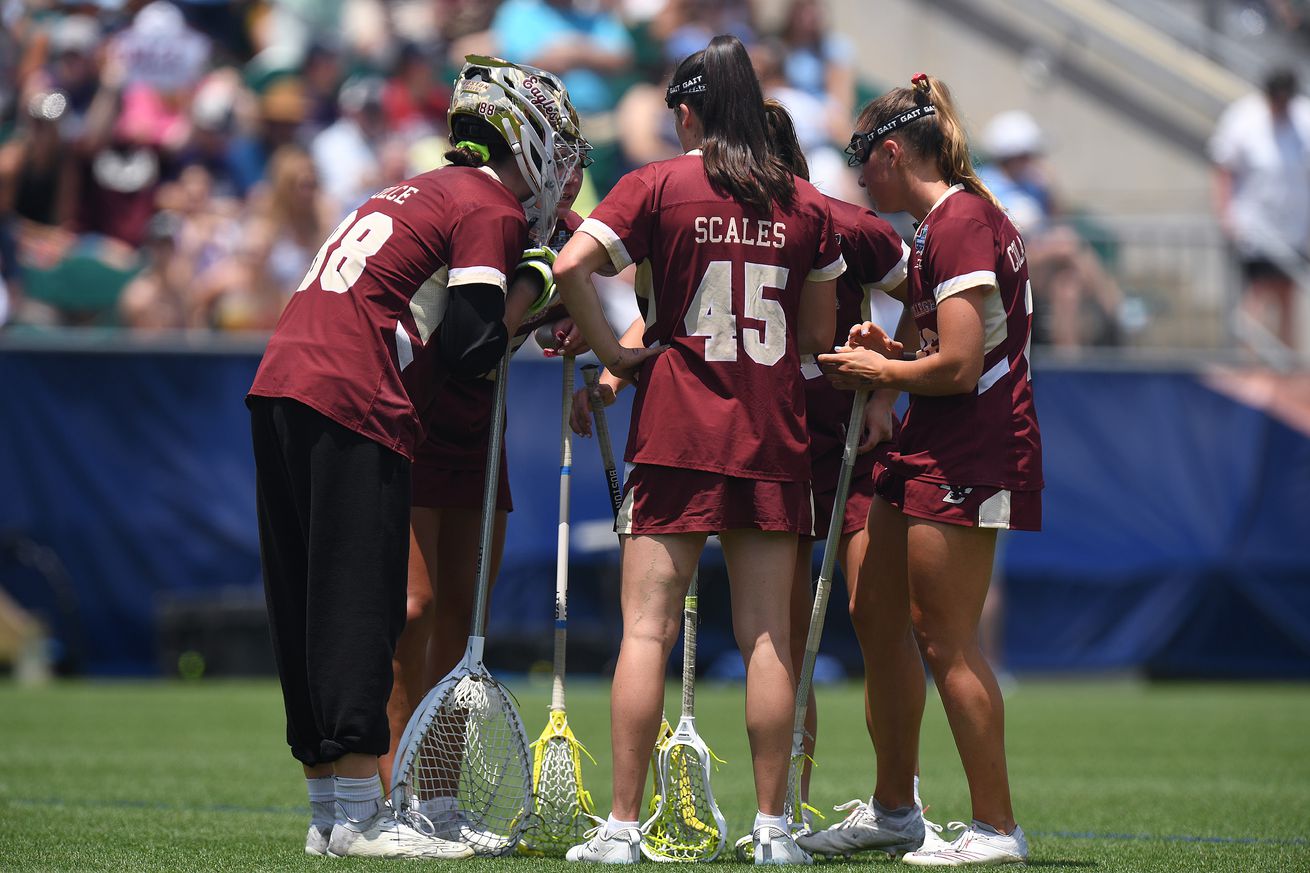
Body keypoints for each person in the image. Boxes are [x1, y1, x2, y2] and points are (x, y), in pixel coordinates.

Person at [247, 56, 583, 860]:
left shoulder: (407, 190)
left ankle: (333, 808)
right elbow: (470, 345)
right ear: (524, 138)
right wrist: (539, 286)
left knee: (310, 604)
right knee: (361, 605)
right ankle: (363, 814)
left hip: (282, 378)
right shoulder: (485, 202)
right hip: (354, 390)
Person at [554, 34, 843, 865]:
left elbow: (574, 264)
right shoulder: (804, 202)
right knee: (767, 641)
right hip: (770, 437)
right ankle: (774, 829)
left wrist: (614, 359)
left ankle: (618, 828)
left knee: (644, 633)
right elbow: (816, 339)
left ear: (686, 114)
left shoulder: (657, 185)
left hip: (676, 432)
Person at [798, 73, 1042, 867]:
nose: (858, 177)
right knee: (876, 613)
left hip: (968, 446)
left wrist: (872, 371)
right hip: (929, 443)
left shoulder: (963, 220)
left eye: (860, 160)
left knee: (946, 640)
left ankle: (996, 828)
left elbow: (965, 365)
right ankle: (896, 808)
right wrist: (893, 352)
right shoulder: (942, 223)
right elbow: (939, 349)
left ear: (893, 154)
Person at [379, 149, 594, 849]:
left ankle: (438, 802)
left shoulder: (560, 227)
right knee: (412, 611)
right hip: (416, 413)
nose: (565, 179)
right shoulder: (476, 208)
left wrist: (573, 313)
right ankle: (391, 797)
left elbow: (598, 277)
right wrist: (539, 295)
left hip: (481, 427)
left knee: (465, 624)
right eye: (558, 163)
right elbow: (470, 324)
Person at [978, 110, 1125, 349]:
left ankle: (1068, 366)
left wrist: (1051, 188)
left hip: (1038, 265)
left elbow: (1059, 220)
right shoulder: (986, 185)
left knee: (1068, 288)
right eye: (1027, 155)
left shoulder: (1033, 184)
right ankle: (1113, 304)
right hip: (1007, 265)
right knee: (1066, 243)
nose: (1033, 161)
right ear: (1011, 155)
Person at [1210, 67, 1310, 351]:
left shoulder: (1304, 117)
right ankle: (1250, 366)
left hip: (1296, 228)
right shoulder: (1243, 117)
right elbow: (1223, 168)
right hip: (1257, 228)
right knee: (1258, 296)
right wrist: (1225, 214)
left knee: (1288, 296)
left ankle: (1286, 372)